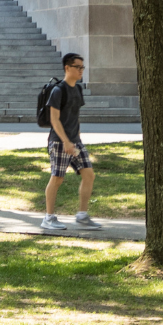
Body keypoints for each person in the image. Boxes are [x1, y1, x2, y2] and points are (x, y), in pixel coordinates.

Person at [41, 51, 99, 231]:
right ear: (67, 68)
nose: (81, 70)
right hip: (59, 141)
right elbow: (54, 119)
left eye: (82, 67)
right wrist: (66, 141)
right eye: (77, 67)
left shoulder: (78, 89)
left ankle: (82, 216)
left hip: (75, 141)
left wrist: (76, 139)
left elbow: (75, 117)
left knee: (89, 174)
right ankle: (48, 218)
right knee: (57, 177)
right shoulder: (59, 91)